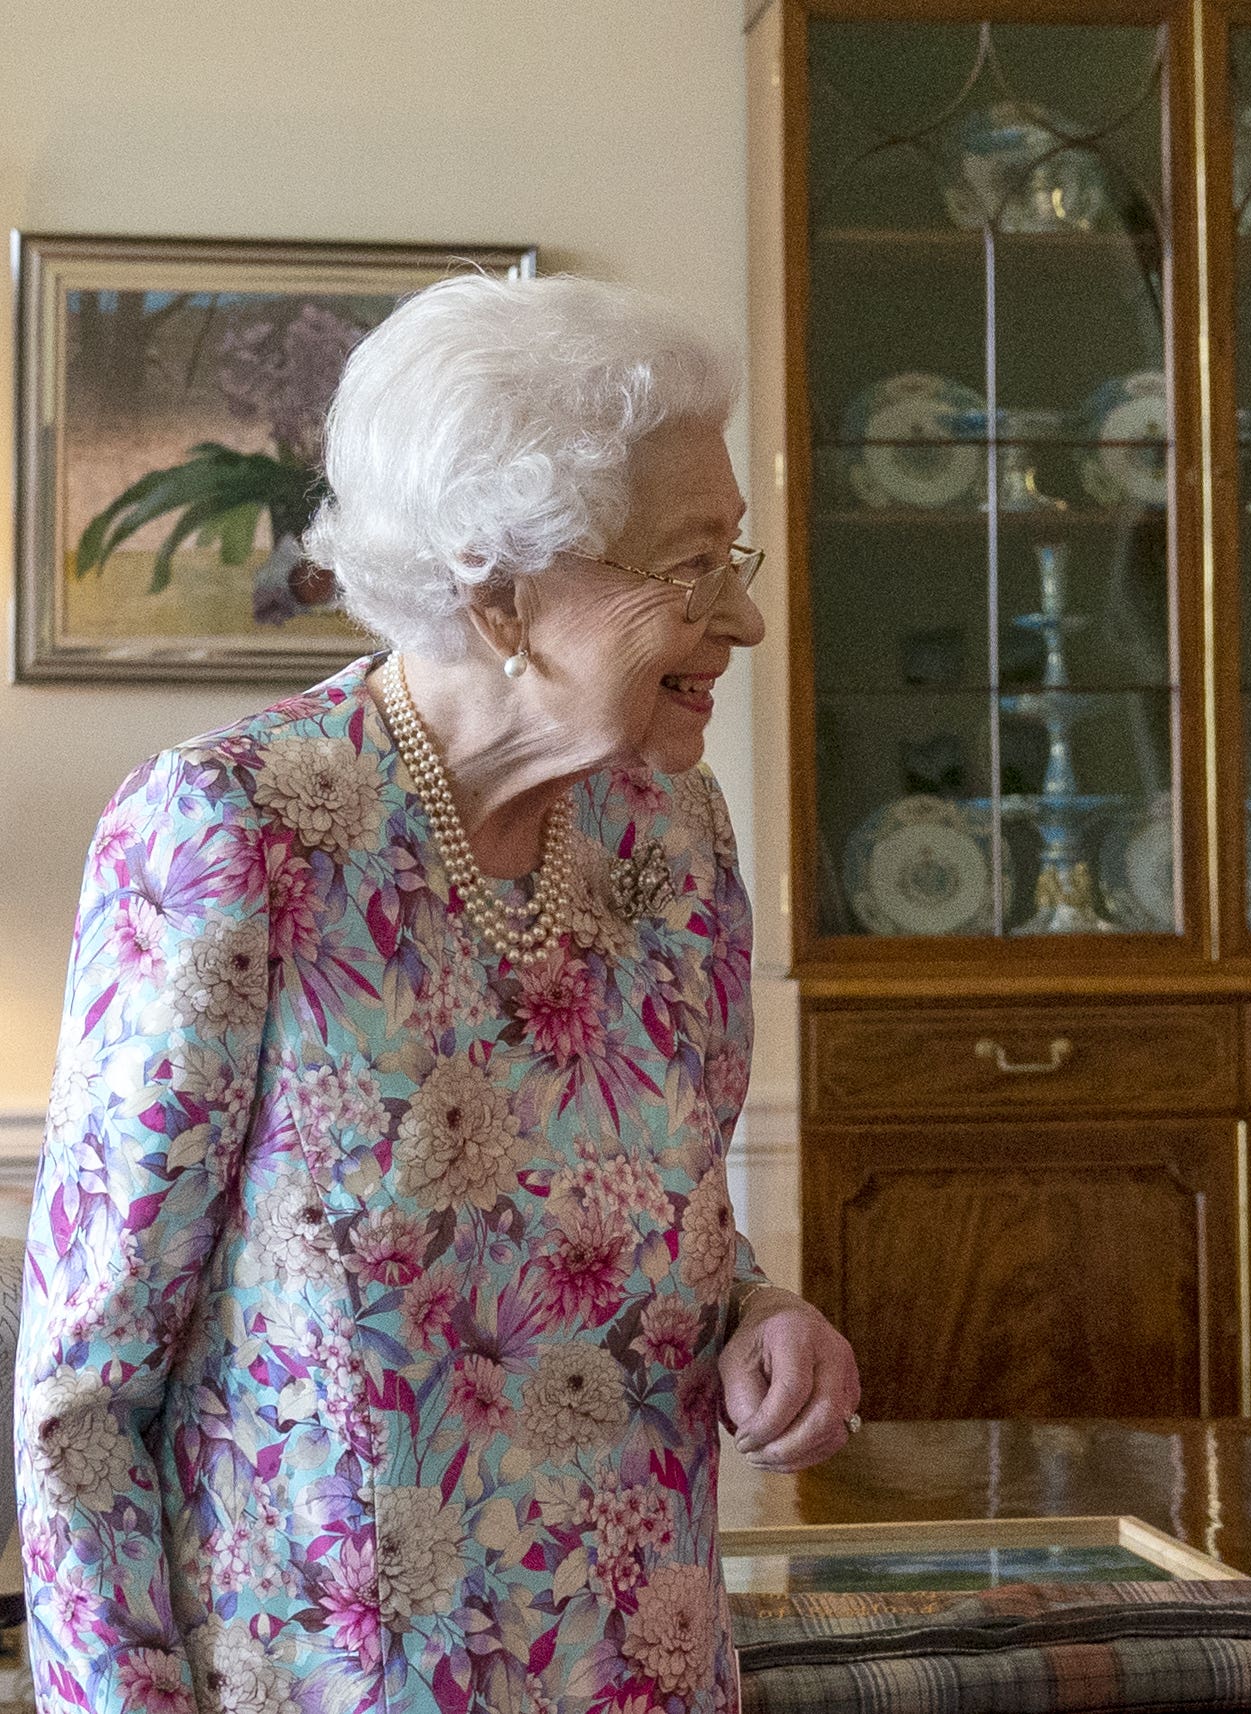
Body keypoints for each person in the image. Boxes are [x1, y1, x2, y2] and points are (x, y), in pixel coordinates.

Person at [17, 274, 861, 1714]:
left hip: (638, 1674)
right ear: (500, 587)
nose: (747, 618)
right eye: (693, 562)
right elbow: (86, 1404)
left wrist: (762, 1310)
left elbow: (669, 1222)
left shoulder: (673, 832)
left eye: (739, 555)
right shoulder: (232, 834)